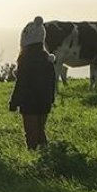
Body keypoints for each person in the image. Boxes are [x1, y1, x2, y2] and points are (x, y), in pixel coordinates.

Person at [9, 16, 57, 149]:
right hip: (44, 100)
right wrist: (51, 98)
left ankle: (32, 154)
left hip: (29, 102)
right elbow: (52, 81)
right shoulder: (47, 59)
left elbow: (21, 83)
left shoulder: (25, 59)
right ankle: (45, 152)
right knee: (40, 129)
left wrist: (14, 102)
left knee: (30, 132)